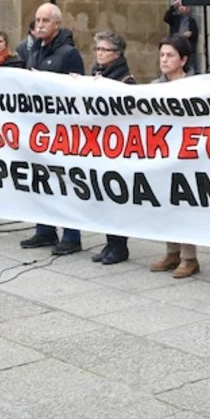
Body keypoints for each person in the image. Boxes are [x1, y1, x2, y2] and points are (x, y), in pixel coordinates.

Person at [18, 3, 86, 254]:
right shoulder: (34, 49)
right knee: (41, 179)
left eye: (45, 20)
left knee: (64, 183)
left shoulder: (68, 54)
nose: (39, 25)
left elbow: (76, 92)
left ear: (57, 24)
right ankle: (44, 231)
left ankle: (71, 236)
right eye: (37, 20)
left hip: (61, 130)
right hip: (39, 128)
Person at [149, 35, 200, 278]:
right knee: (166, 204)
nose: (164, 60)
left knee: (184, 205)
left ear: (183, 60)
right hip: (162, 153)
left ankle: (189, 257)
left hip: (187, 155)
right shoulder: (154, 87)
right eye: (162, 55)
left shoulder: (196, 86)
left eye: (170, 55)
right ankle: (172, 252)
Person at [89, 30, 136, 265]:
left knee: (117, 198)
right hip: (99, 144)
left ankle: (120, 246)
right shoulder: (95, 74)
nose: (100, 53)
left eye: (105, 50)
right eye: (98, 49)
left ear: (116, 54)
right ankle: (109, 242)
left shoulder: (126, 80)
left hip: (117, 146)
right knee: (103, 197)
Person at [164, 0, 199, 73]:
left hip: (188, 48)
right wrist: (173, 6)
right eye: (180, 6)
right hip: (176, 46)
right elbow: (166, 18)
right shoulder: (175, 19)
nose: (181, 8)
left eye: (183, 6)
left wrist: (190, 34)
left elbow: (195, 34)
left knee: (189, 68)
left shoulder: (191, 20)